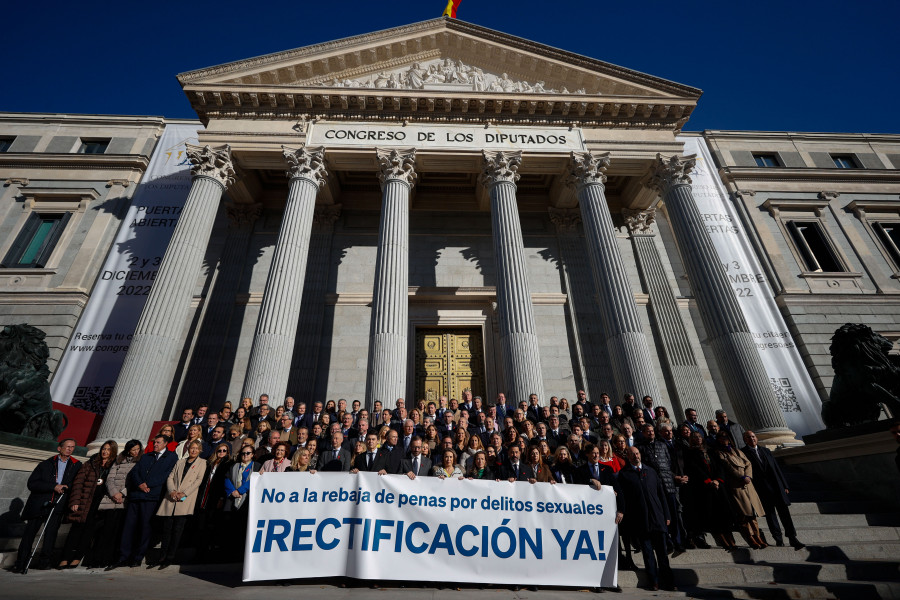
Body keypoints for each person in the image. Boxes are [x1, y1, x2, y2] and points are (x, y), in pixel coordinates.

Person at [109, 434, 178, 569]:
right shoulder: (146, 456)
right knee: (128, 527)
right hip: (136, 496)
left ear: (165, 444)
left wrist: (148, 485)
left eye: (158, 442)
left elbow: (165, 475)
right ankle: (123, 557)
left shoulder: (171, 457)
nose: (155, 444)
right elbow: (134, 473)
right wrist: (140, 484)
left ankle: (137, 558)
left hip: (151, 497)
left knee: (145, 529)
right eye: (154, 442)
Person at [13, 438, 81, 572]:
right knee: (29, 534)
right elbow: (32, 483)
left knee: (50, 535)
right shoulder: (46, 464)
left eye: (72, 447)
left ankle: (44, 562)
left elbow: (77, 483)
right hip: (39, 504)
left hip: (58, 505)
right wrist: (53, 486)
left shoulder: (76, 465)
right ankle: (21, 562)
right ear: (59, 448)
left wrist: (68, 487)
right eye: (67, 446)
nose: (69, 449)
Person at [617, 447, 674, 591]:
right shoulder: (624, 475)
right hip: (640, 520)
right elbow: (624, 499)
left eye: (637, 453)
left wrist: (667, 515)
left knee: (662, 554)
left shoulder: (651, 471)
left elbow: (661, 494)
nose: (636, 456)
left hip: (657, 518)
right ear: (628, 457)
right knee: (648, 554)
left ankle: (668, 581)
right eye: (632, 454)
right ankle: (654, 581)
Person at [58, 440, 117, 569]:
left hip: (99, 504)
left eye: (108, 449)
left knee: (88, 532)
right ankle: (65, 557)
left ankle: (78, 557)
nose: (105, 451)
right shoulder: (90, 463)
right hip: (85, 501)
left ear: (113, 452)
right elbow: (78, 483)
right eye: (104, 448)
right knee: (75, 530)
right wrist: (75, 501)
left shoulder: (113, 467)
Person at [742, 431, 805, 549]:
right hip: (761, 489)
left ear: (756, 438)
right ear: (745, 440)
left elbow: (776, 468)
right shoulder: (743, 453)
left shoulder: (765, 451)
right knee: (770, 516)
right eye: (748, 437)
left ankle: (792, 538)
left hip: (776, 487)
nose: (752, 439)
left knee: (784, 514)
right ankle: (778, 539)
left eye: (753, 436)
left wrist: (785, 485)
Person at [152, 439, 208, 569]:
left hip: (185, 498)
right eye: (191, 448)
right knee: (167, 529)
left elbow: (199, 480)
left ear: (200, 450)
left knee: (177, 529)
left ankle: (170, 557)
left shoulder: (202, 463)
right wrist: (172, 491)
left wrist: (184, 493)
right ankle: (162, 556)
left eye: (196, 448)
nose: (193, 450)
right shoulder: (180, 461)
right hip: (172, 497)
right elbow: (170, 477)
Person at [712, 430, 766, 549]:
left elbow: (748, 463)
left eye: (725, 437)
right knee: (744, 514)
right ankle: (751, 539)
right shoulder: (719, 453)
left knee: (753, 514)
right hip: (736, 485)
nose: (723, 439)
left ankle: (758, 537)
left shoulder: (736, 450)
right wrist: (741, 477)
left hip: (747, 484)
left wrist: (748, 476)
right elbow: (728, 467)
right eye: (721, 437)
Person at [94, 440, 142, 567]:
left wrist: (122, 493)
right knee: (104, 530)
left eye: (138, 449)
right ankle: (97, 559)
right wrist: (114, 493)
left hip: (124, 500)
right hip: (110, 498)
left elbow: (134, 481)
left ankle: (109, 559)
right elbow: (110, 478)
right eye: (133, 450)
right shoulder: (119, 460)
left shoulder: (140, 461)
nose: (136, 452)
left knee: (117, 531)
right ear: (128, 450)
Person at [683, 432, 734, 549]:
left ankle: (730, 537)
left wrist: (718, 480)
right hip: (705, 487)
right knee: (713, 513)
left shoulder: (711, 451)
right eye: (695, 437)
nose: (698, 439)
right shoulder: (690, 453)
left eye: (699, 437)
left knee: (724, 511)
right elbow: (695, 469)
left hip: (718, 485)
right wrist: (708, 481)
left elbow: (720, 466)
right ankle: (722, 538)